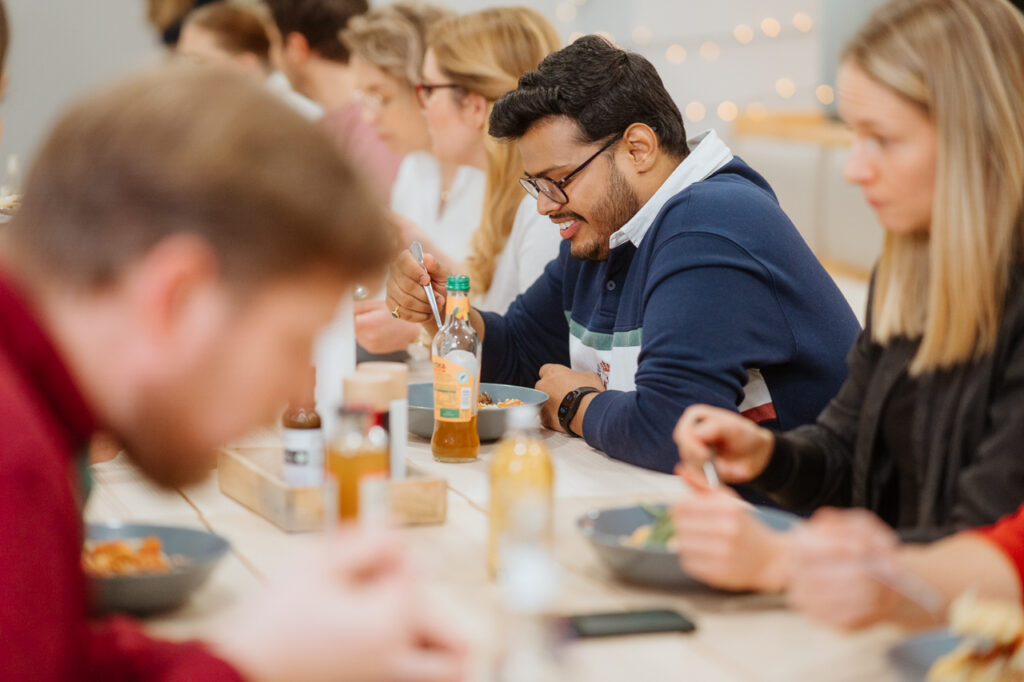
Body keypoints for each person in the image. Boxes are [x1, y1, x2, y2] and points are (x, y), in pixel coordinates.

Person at [0, 65, 464, 682]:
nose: (297, 389)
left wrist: (266, 652)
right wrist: (240, 664)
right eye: (290, 342)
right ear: (176, 298)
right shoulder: (15, 462)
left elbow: (56, 657)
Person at [671, 0, 1024, 592]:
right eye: (854, 135)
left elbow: (986, 550)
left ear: (977, 139)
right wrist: (765, 455)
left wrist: (789, 559)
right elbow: (845, 448)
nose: (854, 168)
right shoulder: (912, 273)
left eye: (882, 139)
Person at [387, 35, 859, 473]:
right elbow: (520, 354)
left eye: (558, 181)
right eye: (536, 185)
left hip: (791, 522)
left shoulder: (710, 225)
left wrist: (574, 406)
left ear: (638, 148)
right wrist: (446, 313)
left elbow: (671, 431)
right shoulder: (606, 229)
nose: (544, 205)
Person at [340, 2, 485, 355]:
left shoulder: (492, 176)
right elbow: (397, 294)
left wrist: (415, 328)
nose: (368, 117)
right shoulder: (415, 169)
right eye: (363, 98)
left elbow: (520, 315)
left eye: (381, 97)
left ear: (424, 87)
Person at [263, 0, 401, 196]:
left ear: (296, 47)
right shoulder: (341, 130)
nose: (273, 57)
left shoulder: (379, 132)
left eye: (273, 43)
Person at [176, 2, 323, 120]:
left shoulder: (296, 112)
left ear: (244, 64)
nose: (186, 71)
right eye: (183, 59)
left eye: (199, 61)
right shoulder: (214, 109)